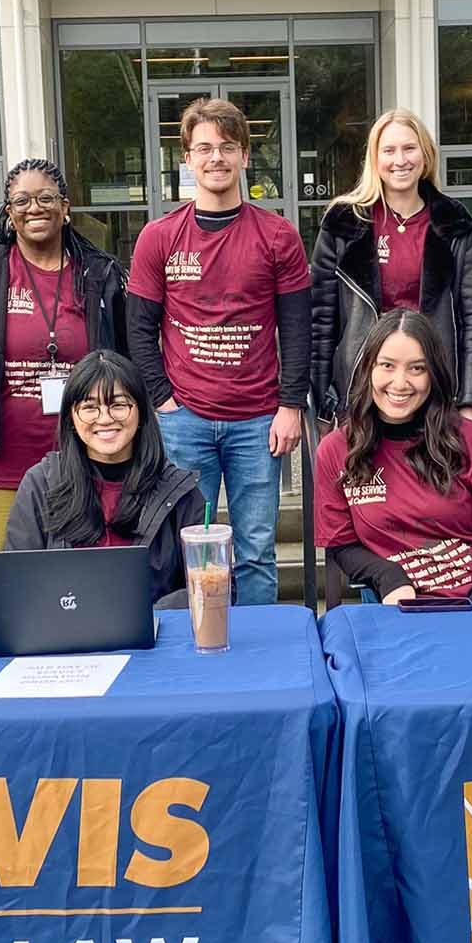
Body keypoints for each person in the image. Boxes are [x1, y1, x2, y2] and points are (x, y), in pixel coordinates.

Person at [127, 97, 311, 607]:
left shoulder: (278, 235)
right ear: (186, 158)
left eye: (228, 147)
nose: (216, 158)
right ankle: (201, 651)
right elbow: (139, 329)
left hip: (259, 422)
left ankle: (260, 661)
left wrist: (290, 405)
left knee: (256, 551)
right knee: (194, 548)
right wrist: (163, 400)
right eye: (204, 148)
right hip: (184, 420)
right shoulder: (159, 238)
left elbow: (297, 328)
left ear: (245, 157)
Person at [0, 159, 128, 616]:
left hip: (86, 464)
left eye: (45, 199)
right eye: (22, 200)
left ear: (66, 208)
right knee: (4, 606)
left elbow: (125, 363)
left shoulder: (98, 274)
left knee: (80, 600)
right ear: (8, 211)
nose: (34, 208)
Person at [315, 311, 472, 604]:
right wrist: (387, 576)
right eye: (387, 365)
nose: (400, 383)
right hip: (419, 605)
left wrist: (471, 612)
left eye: (417, 369)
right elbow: (342, 544)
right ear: (367, 370)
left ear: (434, 375)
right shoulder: (337, 451)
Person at [310, 108, 472, 425]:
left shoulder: (454, 224)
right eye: (389, 150)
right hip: (361, 390)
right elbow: (321, 320)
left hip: (432, 390)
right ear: (375, 159)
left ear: (425, 154)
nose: (400, 160)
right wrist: (323, 401)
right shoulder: (343, 223)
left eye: (409, 148)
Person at [3, 351, 206, 607]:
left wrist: (147, 617)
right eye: (89, 407)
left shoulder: (179, 491)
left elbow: (213, 584)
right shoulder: (41, 484)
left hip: (158, 638)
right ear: (71, 418)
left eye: (118, 405)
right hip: (65, 637)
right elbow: (15, 581)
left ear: (142, 412)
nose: (105, 418)